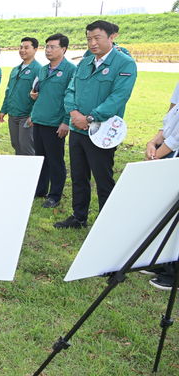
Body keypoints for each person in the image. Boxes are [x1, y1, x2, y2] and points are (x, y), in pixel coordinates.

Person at [55, 20, 138, 229]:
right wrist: (73, 113)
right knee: (78, 176)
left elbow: (118, 97)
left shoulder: (124, 63)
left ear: (111, 37)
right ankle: (79, 217)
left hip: (102, 131)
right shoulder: (84, 62)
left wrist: (90, 118)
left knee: (103, 178)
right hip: (77, 129)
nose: (92, 43)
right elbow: (71, 90)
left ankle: (107, 223)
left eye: (97, 38)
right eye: (89, 38)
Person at [28, 34, 77, 209]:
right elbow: (39, 93)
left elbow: (72, 97)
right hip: (40, 119)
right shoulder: (43, 69)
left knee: (55, 160)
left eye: (52, 47)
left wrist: (66, 121)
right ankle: (40, 189)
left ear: (63, 49)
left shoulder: (71, 70)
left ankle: (54, 195)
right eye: (47, 47)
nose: (48, 50)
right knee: (40, 158)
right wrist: (34, 114)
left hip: (55, 123)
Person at [143, 89, 179, 290]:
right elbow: (171, 119)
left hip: (173, 152)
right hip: (168, 151)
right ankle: (162, 260)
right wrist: (153, 141)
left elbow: (176, 138)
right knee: (166, 209)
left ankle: (174, 272)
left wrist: (157, 154)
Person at [0, 37, 41, 155]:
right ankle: (20, 172)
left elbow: (40, 96)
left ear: (35, 49)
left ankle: (30, 172)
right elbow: (9, 91)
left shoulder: (39, 70)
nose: (22, 50)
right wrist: (3, 110)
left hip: (26, 116)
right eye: (21, 47)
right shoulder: (15, 70)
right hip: (13, 114)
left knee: (26, 148)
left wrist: (33, 115)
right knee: (16, 145)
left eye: (26, 47)